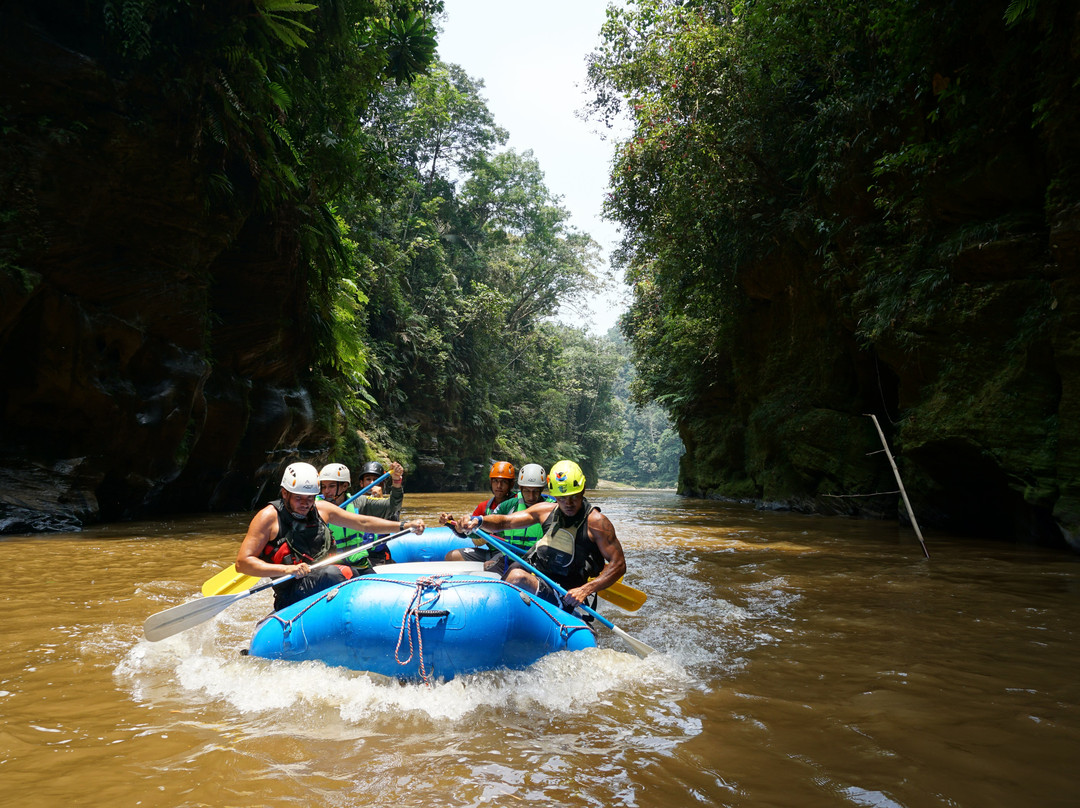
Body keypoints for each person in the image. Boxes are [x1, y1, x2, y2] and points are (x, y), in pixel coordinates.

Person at [237, 462, 424, 611]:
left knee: (363, 577)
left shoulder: (321, 509)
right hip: (292, 590)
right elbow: (243, 563)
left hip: (323, 577)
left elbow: (363, 523)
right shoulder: (268, 517)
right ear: (285, 493)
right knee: (338, 573)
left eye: (310, 498)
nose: (305, 504)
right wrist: (287, 570)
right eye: (299, 498)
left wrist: (404, 526)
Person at [444, 460, 626, 611]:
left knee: (517, 577)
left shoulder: (598, 523)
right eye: (562, 498)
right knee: (510, 571)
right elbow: (505, 522)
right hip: (534, 571)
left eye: (573, 497)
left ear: (583, 490)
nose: (568, 503)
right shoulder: (545, 510)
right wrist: (479, 521)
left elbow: (619, 564)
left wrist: (586, 589)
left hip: (562, 590)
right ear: (555, 495)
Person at [319, 460, 405, 565]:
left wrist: (396, 482)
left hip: (358, 561)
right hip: (330, 563)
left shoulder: (360, 503)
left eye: (331, 486)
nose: (326, 491)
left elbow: (393, 506)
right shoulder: (316, 506)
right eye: (323, 487)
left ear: (345, 486)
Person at [444, 460, 517, 562]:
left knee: (491, 565)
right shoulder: (483, 507)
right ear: (491, 482)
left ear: (511, 484)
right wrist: (451, 524)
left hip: (513, 553)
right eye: (495, 481)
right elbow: (467, 534)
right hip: (492, 552)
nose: (499, 486)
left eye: (503, 482)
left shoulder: (518, 502)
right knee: (451, 556)